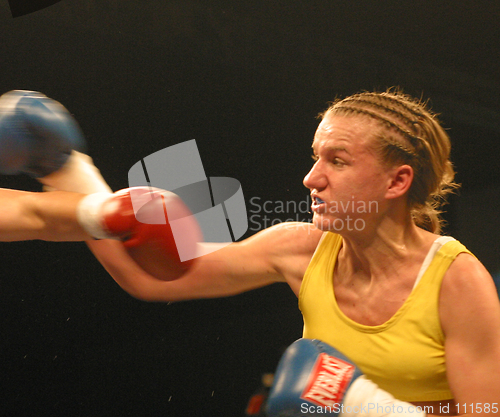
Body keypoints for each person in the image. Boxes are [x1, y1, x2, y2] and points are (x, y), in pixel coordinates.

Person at [2, 89, 499, 416]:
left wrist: (364, 404)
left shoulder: (455, 280)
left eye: (338, 160)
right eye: (315, 157)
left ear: (398, 180)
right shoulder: (301, 249)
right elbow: (156, 277)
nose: (312, 178)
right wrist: (66, 170)